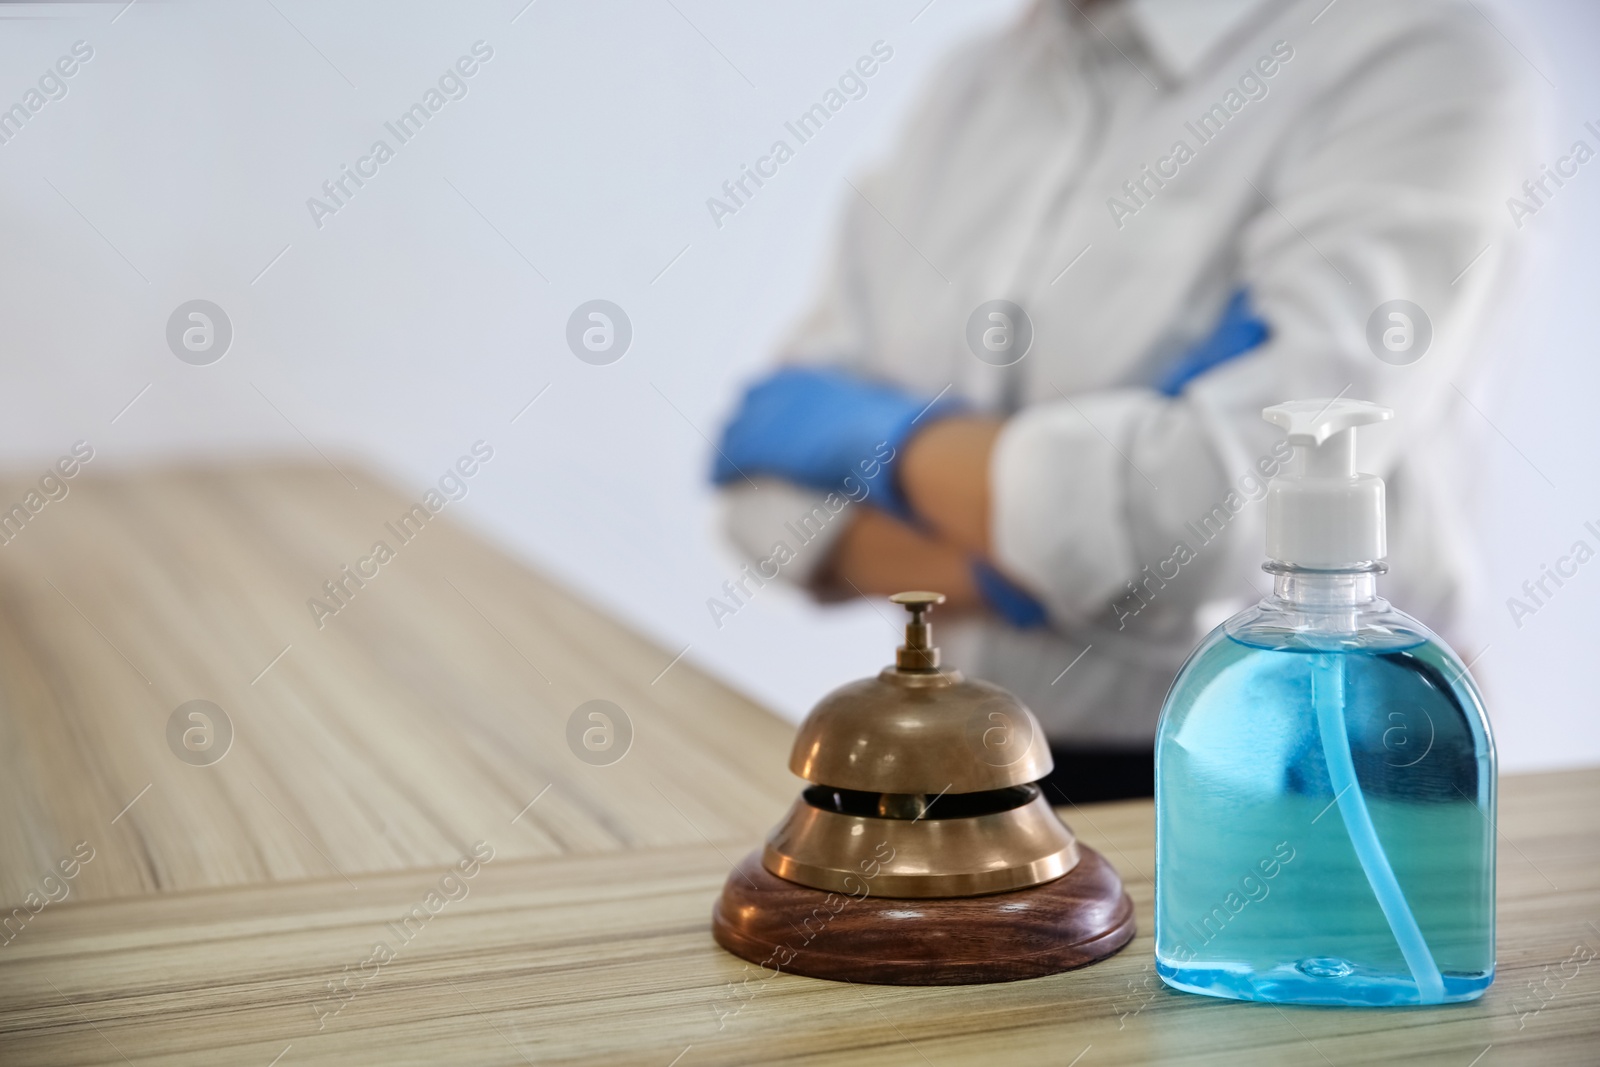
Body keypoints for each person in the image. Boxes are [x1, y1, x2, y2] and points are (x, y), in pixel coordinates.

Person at [710, 0, 1537, 801]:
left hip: (1315, 777)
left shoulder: (1410, 54)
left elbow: (1213, 514)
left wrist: (872, 439)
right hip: (986, 768)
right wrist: (1072, 543)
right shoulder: (974, 81)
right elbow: (764, 507)